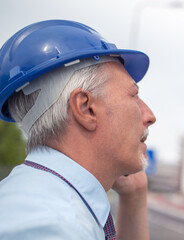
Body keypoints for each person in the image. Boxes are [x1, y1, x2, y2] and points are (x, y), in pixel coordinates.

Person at [0, 20, 156, 240]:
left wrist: (135, 196)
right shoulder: (54, 227)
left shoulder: (37, 197)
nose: (150, 116)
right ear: (86, 108)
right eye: (133, 95)